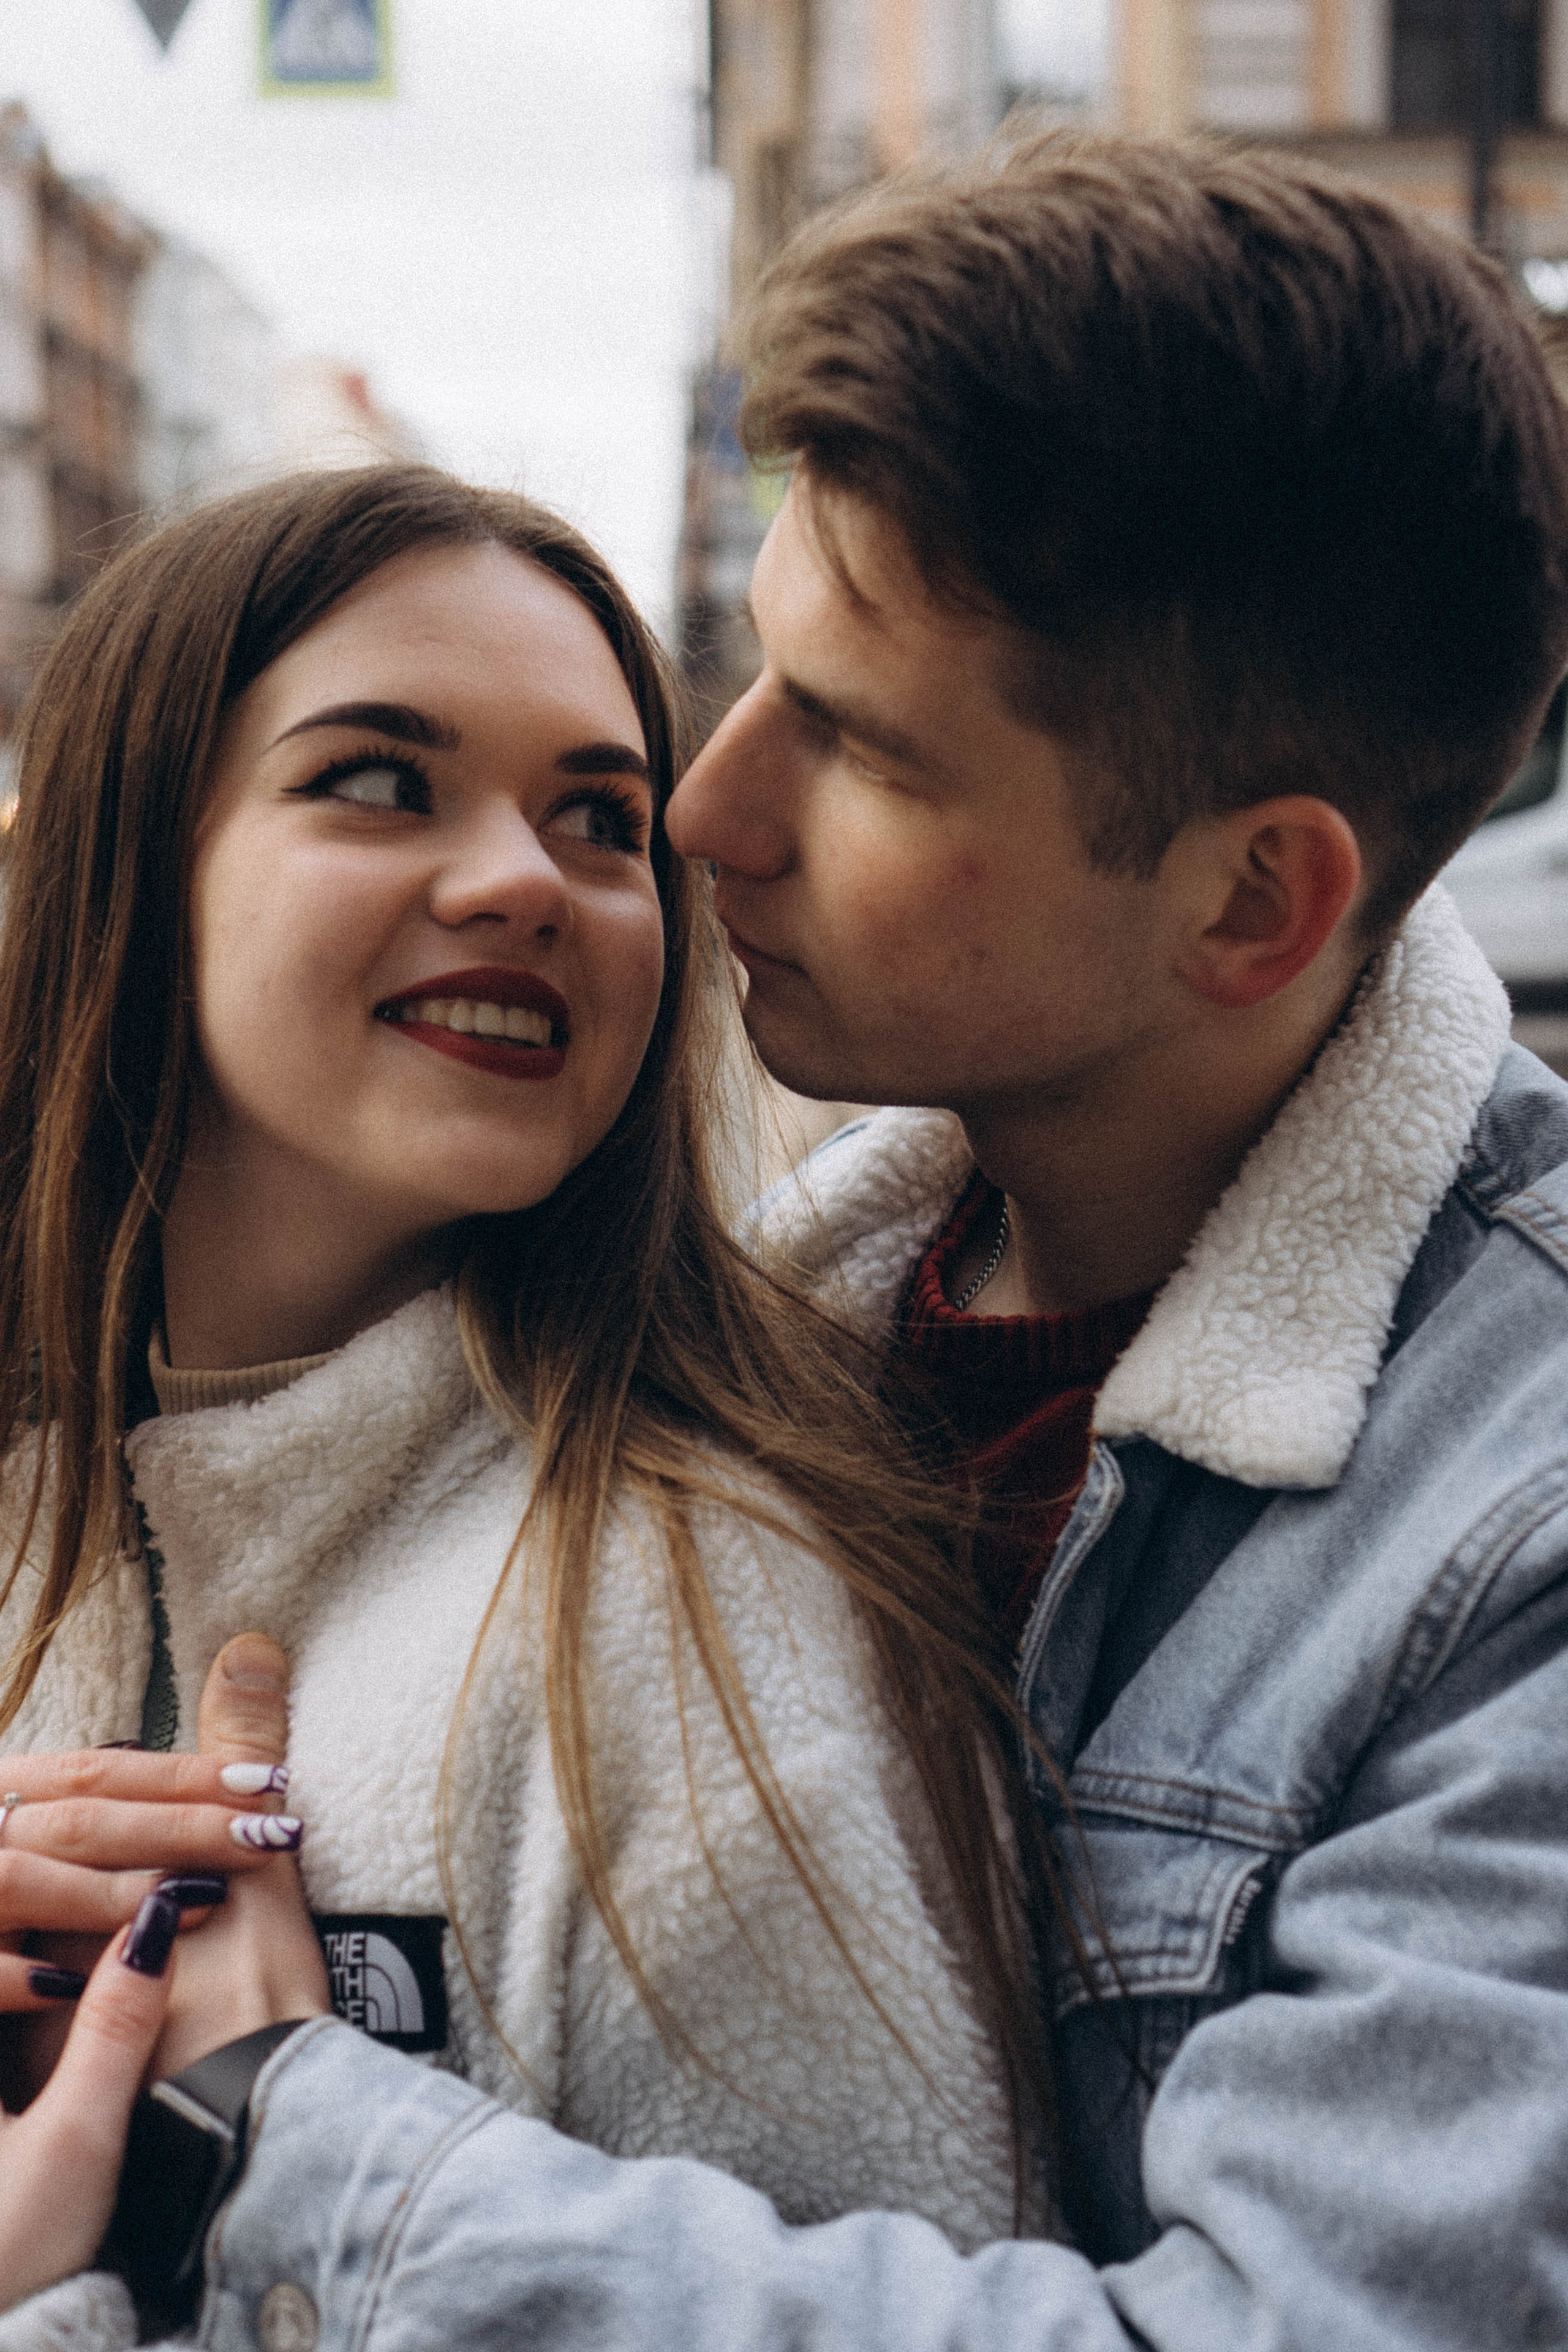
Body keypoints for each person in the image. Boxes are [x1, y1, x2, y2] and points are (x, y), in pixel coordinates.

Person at [6, 123, 1568, 2352]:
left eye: (853, 744)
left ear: (1251, 899)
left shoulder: (1506, 1511)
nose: (705, 817)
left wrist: (270, 2116)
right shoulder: (792, 1327)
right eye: (753, 677)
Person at [0, 466, 1057, 2342]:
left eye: (601, 819)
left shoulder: (696, 1610)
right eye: (380, 779)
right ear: (127, 862)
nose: (525, 881)